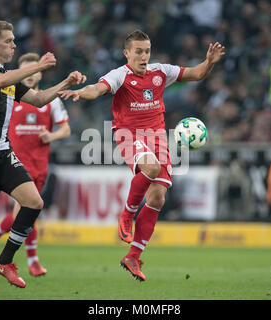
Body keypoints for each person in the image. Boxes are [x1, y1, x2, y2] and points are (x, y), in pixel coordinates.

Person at [59, 30, 225, 281]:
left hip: (157, 138)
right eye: (138, 51)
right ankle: (127, 214)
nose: (144, 56)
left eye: (147, 51)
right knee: (152, 168)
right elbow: (97, 88)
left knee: (158, 197)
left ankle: (133, 256)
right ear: (127, 53)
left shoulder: (161, 71)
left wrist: (209, 63)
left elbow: (196, 73)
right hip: (128, 135)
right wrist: (80, 92)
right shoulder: (120, 75)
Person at [0, 21, 85, 296]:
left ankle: (4, 261)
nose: (14, 44)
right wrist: (39, 65)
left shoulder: (7, 76)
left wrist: (65, 83)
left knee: (34, 201)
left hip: (1, 151)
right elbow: (0, 80)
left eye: (14, 40)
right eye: (9, 40)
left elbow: (38, 99)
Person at [0, 52, 71, 276]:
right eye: (26, 69)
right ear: (21, 72)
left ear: (40, 73)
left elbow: (66, 129)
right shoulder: (9, 96)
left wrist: (50, 136)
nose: (31, 75)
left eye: (35, 69)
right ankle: (33, 261)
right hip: (15, 165)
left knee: (26, 214)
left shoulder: (51, 100)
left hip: (41, 165)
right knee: (27, 211)